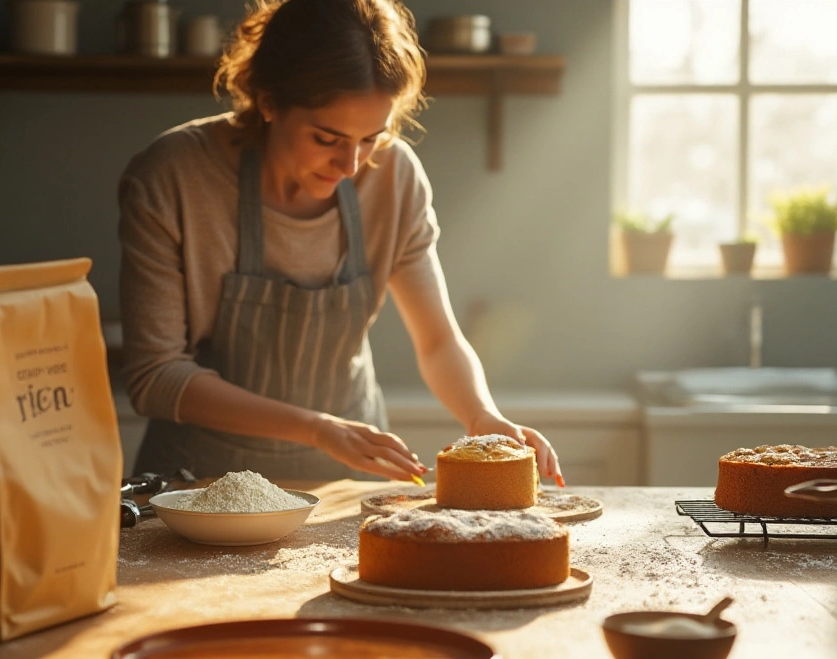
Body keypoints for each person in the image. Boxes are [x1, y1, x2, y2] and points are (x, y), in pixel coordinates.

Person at [118, 0, 562, 485]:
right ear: (267, 100)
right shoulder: (173, 176)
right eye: (327, 138)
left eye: (371, 137)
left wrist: (482, 417)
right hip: (199, 484)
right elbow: (155, 376)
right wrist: (317, 428)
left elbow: (438, 341)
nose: (351, 165)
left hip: (346, 480)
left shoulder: (393, 175)